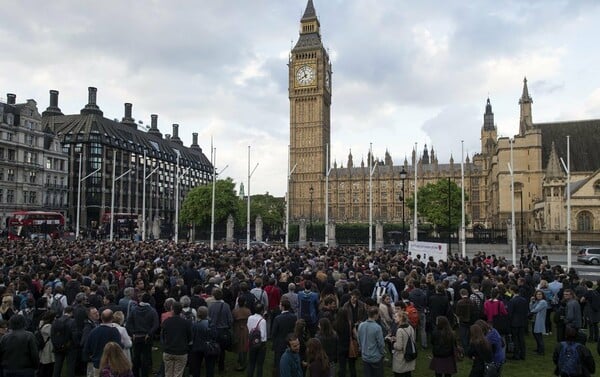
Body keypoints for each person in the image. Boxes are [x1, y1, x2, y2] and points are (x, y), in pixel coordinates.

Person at [126, 293, 159, 377]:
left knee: (136, 357)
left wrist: (132, 333)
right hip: (147, 337)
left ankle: (135, 374)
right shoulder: (152, 311)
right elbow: (156, 325)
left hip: (136, 337)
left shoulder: (134, 310)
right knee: (146, 358)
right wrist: (149, 333)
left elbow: (128, 323)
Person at [82, 309, 123, 377]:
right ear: (112, 318)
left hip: (97, 364)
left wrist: (90, 358)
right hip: (111, 365)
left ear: (101, 317)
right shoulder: (115, 331)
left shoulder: (94, 331)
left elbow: (86, 348)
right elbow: (119, 348)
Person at [161, 302, 193, 377]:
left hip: (169, 350)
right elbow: (190, 337)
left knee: (168, 373)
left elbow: (162, 336)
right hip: (181, 351)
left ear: (172, 310)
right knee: (178, 374)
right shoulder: (186, 323)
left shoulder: (166, 322)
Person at [207, 288, 233, 373]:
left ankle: (213, 365)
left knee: (213, 347)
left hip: (213, 330)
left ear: (214, 296)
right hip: (223, 330)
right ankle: (221, 367)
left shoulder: (211, 306)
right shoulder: (226, 306)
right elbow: (230, 319)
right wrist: (228, 327)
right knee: (222, 350)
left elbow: (208, 319)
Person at [272, 299, 298, 377]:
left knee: (279, 362)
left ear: (283, 307)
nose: (279, 306)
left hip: (280, 343)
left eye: (280, 305)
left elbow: (274, 333)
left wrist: (274, 340)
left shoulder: (278, 318)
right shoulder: (294, 317)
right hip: (290, 342)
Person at [189, 307, 218, 377]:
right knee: (210, 367)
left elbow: (191, 336)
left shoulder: (194, 324)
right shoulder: (210, 324)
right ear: (207, 314)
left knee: (196, 367)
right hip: (208, 347)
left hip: (197, 347)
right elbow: (215, 335)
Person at [357, 306, 385, 377]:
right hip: (375, 357)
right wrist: (382, 353)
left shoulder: (361, 325)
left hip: (365, 356)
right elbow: (381, 344)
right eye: (378, 314)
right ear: (375, 315)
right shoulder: (377, 327)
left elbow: (359, 339)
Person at [391, 311, 416, 377]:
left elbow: (399, 347)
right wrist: (397, 339)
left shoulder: (400, 330)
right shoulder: (410, 327)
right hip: (409, 354)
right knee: (408, 374)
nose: (394, 318)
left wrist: (393, 342)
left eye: (396, 317)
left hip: (401, 358)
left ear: (401, 318)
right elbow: (410, 339)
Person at [334, 306, 357, 377]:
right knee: (352, 366)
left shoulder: (335, 324)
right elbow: (355, 335)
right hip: (350, 346)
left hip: (340, 346)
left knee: (342, 366)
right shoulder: (350, 323)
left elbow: (335, 336)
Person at [506, 285, 528, 360]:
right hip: (522, 321)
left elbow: (509, 313)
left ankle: (516, 355)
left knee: (515, 339)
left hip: (514, 323)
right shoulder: (524, 300)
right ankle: (523, 354)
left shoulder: (512, 301)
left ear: (512, 290)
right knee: (521, 338)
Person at [246, 303, 267, 377]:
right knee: (259, 365)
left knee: (251, 363)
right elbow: (263, 336)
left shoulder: (250, 317)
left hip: (251, 342)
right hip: (261, 345)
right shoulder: (262, 321)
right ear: (262, 311)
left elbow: (248, 328)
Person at [232, 295, 251, 371]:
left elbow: (232, 320)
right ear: (245, 302)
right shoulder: (248, 311)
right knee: (245, 344)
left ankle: (241, 360)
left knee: (239, 344)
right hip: (245, 328)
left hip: (237, 329)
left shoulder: (235, 311)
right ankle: (243, 360)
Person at [529, 290, 548, 355]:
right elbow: (531, 308)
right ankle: (538, 348)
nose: (538, 295)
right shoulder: (537, 301)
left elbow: (536, 309)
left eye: (540, 294)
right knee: (535, 335)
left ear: (542, 295)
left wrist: (530, 312)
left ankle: (541, 351)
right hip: (535, 320)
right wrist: (531, 301)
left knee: (538, 336)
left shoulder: (543, 302)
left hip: (539, 320)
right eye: (537, 294)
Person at [38, 311, 56, 377]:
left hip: (44, 345)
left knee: (44, 362)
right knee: (47, 363)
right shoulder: (48, 326)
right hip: (47, 346)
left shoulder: (42, 323)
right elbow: (53, 334)